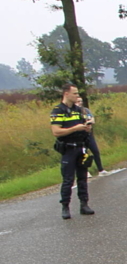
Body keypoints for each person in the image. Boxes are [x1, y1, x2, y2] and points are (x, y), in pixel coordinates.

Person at [49, 83, 95, 219]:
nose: (77, 96)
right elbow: (56, 131)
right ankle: (65, 207)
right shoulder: (58, 110)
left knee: (83, 177)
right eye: (75, 93)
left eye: (78, 93)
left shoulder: (79, 110)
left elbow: (86, 124)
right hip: (68, 148)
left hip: (81, 147)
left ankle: (84, 204)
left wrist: (86, 128)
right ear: (66, 94)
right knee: (68, 179)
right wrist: (75, 128)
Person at [76, 96, 110, 177]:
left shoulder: (86, 110)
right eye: (78, 101)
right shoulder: (74, 112)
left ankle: (100, 169)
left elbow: (92, 119)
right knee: (84, 153)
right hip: (80, 135)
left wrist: (88, 123)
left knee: (95, 151)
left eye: (81, 101)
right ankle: (86, 171)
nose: (80, 103)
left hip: (89, 134)